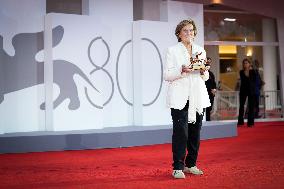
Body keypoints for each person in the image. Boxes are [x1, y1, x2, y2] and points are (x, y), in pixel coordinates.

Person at [164, 19, 211, 179]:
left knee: (195, 133)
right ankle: (178, 167)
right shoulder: (172, 50)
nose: (189, 33)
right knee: (180, 133)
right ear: (179, 33)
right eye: (185, 30)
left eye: (191, 30)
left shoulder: (200, 50)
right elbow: (167, 75)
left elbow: (205, 77)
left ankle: (191, 164)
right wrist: (181, 70)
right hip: (180, 97)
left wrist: (205, 70)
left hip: (198, 97)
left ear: (195, 33)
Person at [237, 58, 257, 127]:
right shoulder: (241, 72)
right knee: (241, 106)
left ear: (249, 64)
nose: (245, 64)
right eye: (244, 63)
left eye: (246, 63)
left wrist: (250, 70)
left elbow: (253, 81)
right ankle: (240, 122)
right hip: (243, 90)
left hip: (251, 91)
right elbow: (243, 80)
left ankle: (250, 123)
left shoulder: (253, 72)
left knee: (251, 107)